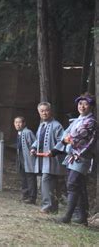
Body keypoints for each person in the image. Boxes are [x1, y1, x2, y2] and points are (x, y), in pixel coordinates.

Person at [48, 94, 96, 225]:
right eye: (80, 104)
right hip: (72, 157)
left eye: (85, 104)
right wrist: (57, 147)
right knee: (78, 186)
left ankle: (67, 216)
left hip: (82, 157)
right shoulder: (78, 119)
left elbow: (73, 137)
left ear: (91, 106)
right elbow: (65, 134)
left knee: (72, 184)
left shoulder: (90, 122)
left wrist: (63, 143)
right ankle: (82, 217)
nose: (82, 106)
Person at [30, 102, 65, 214]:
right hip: (41, 159)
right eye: (42, 111)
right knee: (49, 183)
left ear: (50, 111)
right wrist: (33, 147)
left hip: (52, 159)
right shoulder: (42, 125)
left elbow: (63, 141)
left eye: (46, 110)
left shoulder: (57, 125)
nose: (44, 113)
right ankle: (53, 209)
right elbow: (37, 139)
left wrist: (53, 151)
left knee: (46, 181)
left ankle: (47, 206)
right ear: (39, 113)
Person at [13, 116, 37, 204]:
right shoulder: (19, 133)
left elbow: (34, 144)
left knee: (30, 177)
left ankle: (32, 198)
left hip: (28, 158)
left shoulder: (27, 132)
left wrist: (32, 151)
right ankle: (25, 195)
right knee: (24, 178)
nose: (18, 124)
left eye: (20, 122)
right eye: (16, 122)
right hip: (21, 159)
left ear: (24, 123)